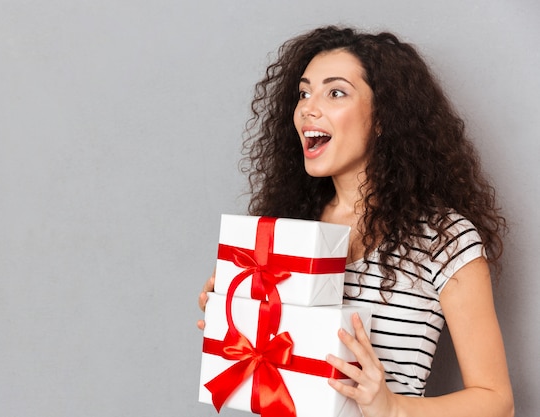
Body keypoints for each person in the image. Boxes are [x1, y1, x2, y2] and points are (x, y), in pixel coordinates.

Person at [197, 26, 514, 417]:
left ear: (384, 117)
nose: (308, 108)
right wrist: (233, 312)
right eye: (304, 92)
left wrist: (393, 408)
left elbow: (496, 400)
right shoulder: (285, 232)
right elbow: (277, 366)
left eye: (336, 92)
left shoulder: (444, 239)